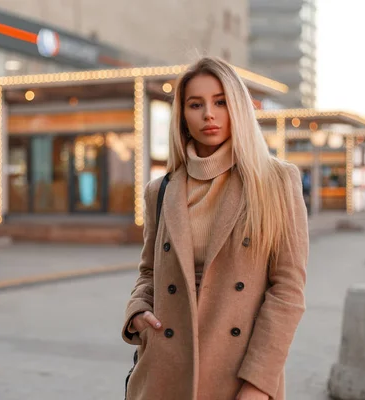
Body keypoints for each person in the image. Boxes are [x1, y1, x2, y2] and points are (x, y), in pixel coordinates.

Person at [121, 57, 309, 400]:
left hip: (238, 376)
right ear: (182, 116)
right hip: (163, 373)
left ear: (237, 106)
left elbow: (288, 291)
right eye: (196, 104)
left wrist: (258, 384)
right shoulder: (160, 190)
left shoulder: (276, 182)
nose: (209, 113)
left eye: (220, 101)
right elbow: (149, 271)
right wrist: (137, 311)